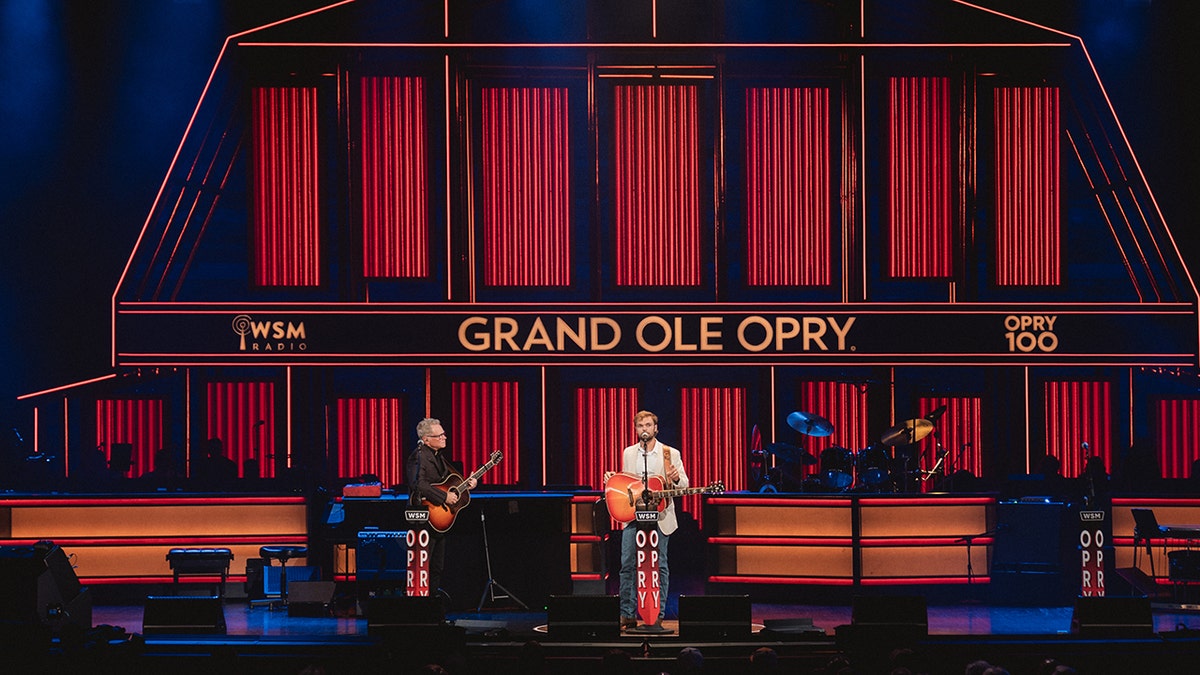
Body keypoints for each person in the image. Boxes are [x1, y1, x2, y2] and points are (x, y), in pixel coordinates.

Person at [603, 410, 689, 629]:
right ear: (636, 429)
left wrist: (676, 478)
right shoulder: (629, 453)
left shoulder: (671, 453)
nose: (644, 429)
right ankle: (627, 614)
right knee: (628, 564)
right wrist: (613, 480)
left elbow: (685, 485)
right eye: (641, 426)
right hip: (633, 516)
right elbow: (627, 485)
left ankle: (658, 614)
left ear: (655, 428)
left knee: (660, 566)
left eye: (648, 425)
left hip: (661, 517)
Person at [406, 417, 475, 597]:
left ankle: (434, 604)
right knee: (423, 565)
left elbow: (447, 482)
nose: (445, 437)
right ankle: (421, 605)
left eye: (444, 434)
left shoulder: (438, 457)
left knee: (437, 566)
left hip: (439, 521)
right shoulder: (418, 456)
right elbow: (418, 484)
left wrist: (467, 484)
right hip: (424, 519)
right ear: (426, 439)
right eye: (440, 435)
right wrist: (444, 497)